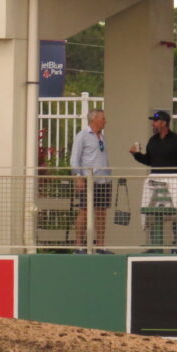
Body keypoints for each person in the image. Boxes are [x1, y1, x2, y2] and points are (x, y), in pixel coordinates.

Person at [130, 110, 177, 247]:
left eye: (155, 122)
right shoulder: (152, 141)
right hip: (156, 185)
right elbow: (149, 160)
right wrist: (136, 154)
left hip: (174, 184)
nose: (153, 125)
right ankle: (154, 246)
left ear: (164, 123)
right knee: (154, 214)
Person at [70, 108, 110, 253]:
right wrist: (79, 178)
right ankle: (79, 245)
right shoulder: (83, 135)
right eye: (103, 118)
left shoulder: (101, 137)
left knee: (101, 212)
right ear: (94, 119)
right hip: (88, 179)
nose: (105, 121)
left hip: (103, 180)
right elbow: (74, 159)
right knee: (85, 211)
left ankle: (100, 245)